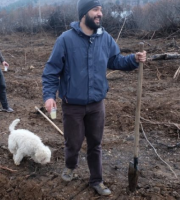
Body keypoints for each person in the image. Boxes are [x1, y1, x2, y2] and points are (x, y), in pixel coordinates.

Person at [42, 0, 147, 196]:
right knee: (72, 143)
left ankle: (96, 180)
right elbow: (51, 71)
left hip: (97, 104)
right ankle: (70, 165)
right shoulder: (65, 40)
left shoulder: (105, 38)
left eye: (100, 10)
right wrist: (49, 96)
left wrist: (133, 59)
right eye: (95, 10)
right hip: (72, 104)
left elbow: (115, 61)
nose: (100, 14)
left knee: (95, 144)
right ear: (84, 14)